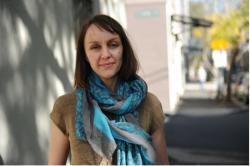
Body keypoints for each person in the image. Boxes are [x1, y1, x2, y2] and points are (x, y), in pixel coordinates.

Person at [48, 14, 169, 165]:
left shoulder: (149, 103)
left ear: (123, 49)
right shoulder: (66, 107)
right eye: (95, 47)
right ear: (85, 55)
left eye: (113, 44)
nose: (106, 54)